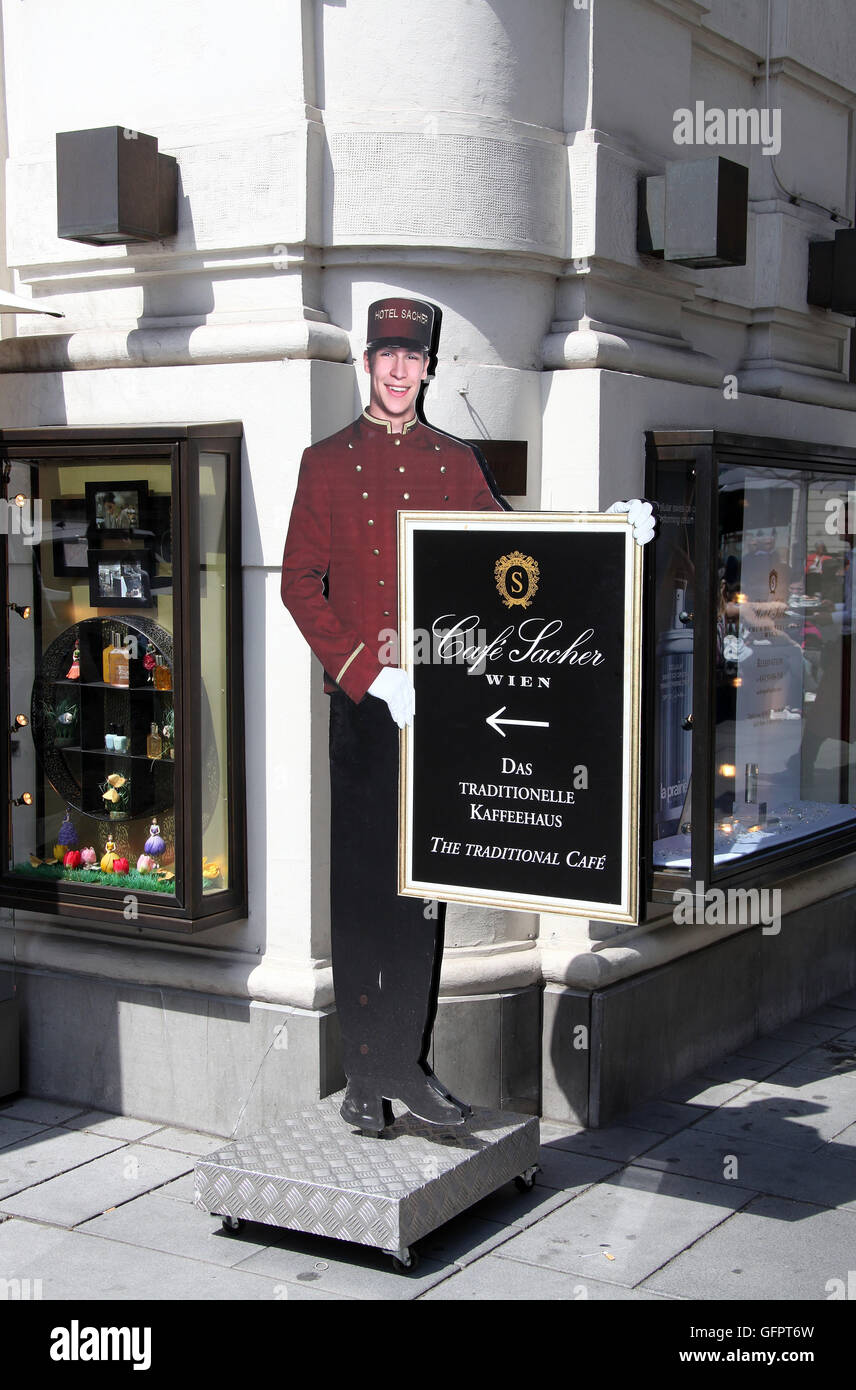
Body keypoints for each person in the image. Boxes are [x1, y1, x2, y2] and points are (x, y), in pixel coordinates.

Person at [281, 296, 654, 1136]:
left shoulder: (454, 462)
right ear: (368, 363)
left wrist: (613, 540)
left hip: (439, 715)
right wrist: (371, 676)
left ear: (429, 366)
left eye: (413, 357)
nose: (399, 370)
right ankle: (362, 1074)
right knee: (361, 893)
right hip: (366, 709)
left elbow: (512, 564)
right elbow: (299, 582)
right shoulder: (325, 463)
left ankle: (404, 1069)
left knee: (423, 894)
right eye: (386, 355)